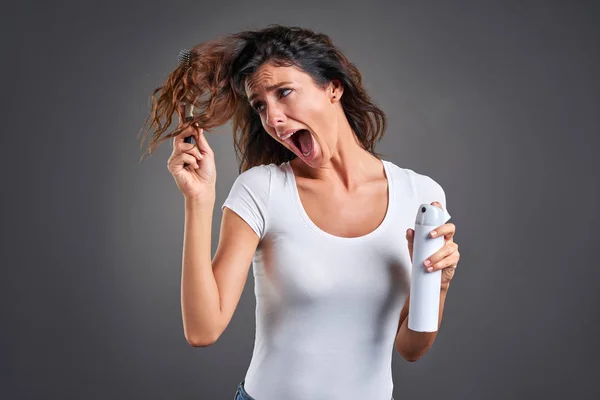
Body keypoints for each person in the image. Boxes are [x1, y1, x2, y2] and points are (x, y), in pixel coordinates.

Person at [139, 24, 461, 400]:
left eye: (284, 92)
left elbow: (411, 349)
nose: (273, 118)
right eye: (260, 105)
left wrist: (437, 286)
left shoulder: (420, 195)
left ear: (333, 88)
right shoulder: (262, 190)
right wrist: (199, 198)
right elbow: (202, 330)